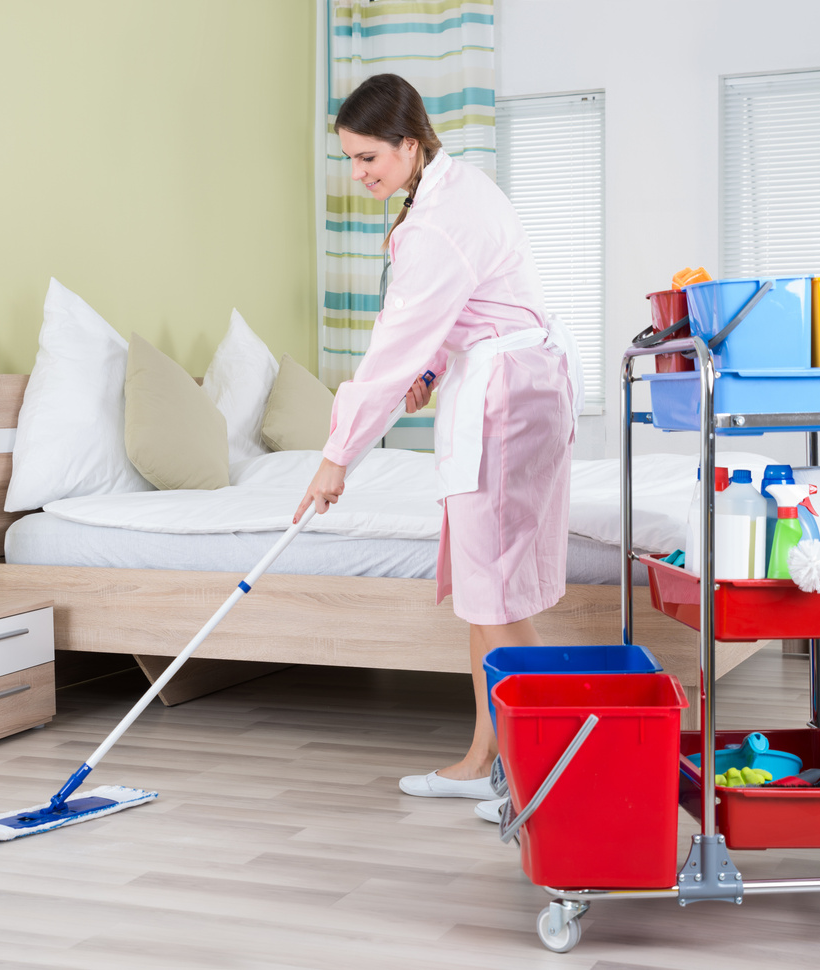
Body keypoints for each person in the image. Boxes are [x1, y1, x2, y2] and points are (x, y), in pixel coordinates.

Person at [295, 74, 578, 821]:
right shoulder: (457, 189)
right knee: (487, 592)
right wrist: (431, 367)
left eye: (367, 159)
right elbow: (465, 311)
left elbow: (390, 348)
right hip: (514, 385)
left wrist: (337, 455)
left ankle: (543, 777)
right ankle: (487, 761)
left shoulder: (432, 226)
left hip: (506, 404)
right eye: (350, 161)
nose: (358, 175)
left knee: (496, 595)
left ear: (408, 145)